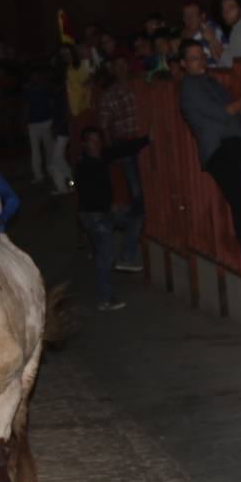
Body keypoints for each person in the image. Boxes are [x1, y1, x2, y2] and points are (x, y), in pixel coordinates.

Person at [176, 38, 241, 281]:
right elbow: (227, 111)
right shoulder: (189, 88)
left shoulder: (210, 82)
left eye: (201, 57)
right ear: (183, 63)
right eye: (194, 59)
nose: (200, 62)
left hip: (231, 145)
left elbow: (237, 110)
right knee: (240, 203)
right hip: (220, 150)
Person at [76, 127, 143, 311]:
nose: (96, 144)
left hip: (106, 212)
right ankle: (105, 299)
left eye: (98, 140)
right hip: (93, 216)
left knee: (136, 216)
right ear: (85, 144)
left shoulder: (102, 156)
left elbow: (122, 149)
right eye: (92, 141)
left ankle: (126, 258)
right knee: (105, 255)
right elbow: (89, 197)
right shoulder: (84, 166)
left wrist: (146, 140)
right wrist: (108, 205)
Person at [95, 55, 149, 218]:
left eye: (123, 64)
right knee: (134, 185)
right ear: (113, 69)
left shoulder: (139, 85)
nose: (121, 68)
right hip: (124, 143)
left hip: (143, 139)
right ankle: (140, 219)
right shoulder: (109, 94)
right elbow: (104, 124)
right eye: (117, 65)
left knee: (149, 180)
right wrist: (110, 148)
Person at [22, 68, 55, 186]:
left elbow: (51, 103)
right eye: (33, 76)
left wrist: (53, 120)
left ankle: (51, 171)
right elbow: (25, 106)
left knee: (49, 148)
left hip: (46, 121)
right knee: (35, 151)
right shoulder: (28, 90)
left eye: (37, 75)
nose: (35, 78)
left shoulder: (46, 88)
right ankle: (38, 175)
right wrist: (25, 123)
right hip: (33, 123)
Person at [180, 1, 225, 68]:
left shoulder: (212, 29)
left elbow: (227, 60)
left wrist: (213, 39)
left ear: (202, 16)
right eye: (186, 16)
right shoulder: (182, 35)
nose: (189, 18)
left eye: (193, 15)